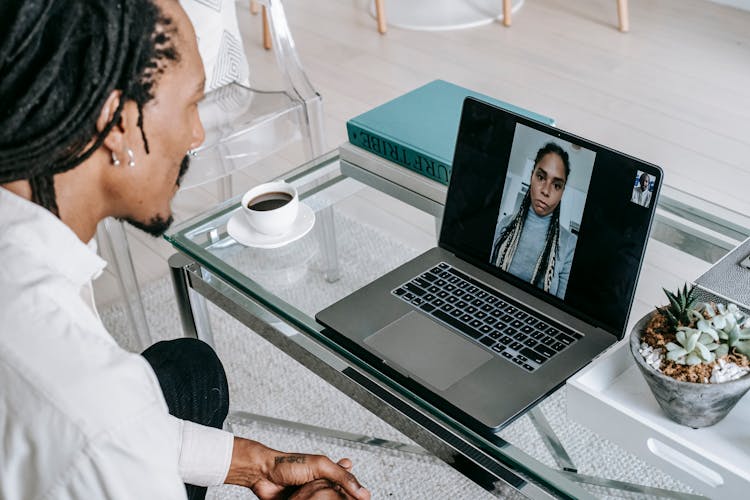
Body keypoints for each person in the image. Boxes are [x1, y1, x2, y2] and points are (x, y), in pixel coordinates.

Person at [0, 1, 370, 499]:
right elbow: (110, 433)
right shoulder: (97, 419)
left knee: (191, 369)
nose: (197, 136)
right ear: (119, 125)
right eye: (193, 103)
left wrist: (256, 465)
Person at [490, 143, 577, 299]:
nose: (545, 190)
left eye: (556, 185)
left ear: (562, 192)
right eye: (541, 177)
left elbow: (561, 310)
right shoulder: (505, 224)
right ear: (531, 176)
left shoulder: (569, 243)